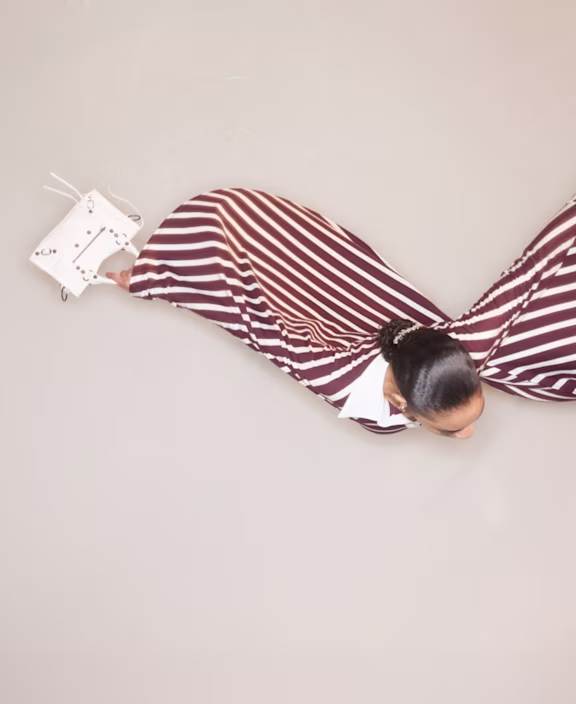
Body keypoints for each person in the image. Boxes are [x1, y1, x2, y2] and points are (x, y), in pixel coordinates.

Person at [107, 187, 576, 438]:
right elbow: (251, 319)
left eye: (456, 428)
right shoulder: (327, 372)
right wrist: (159, 278)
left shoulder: (467, 347)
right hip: (317, 312)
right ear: (403, 405)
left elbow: (528, 276)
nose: (469, 434)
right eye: (451, 430)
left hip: (350, 322)